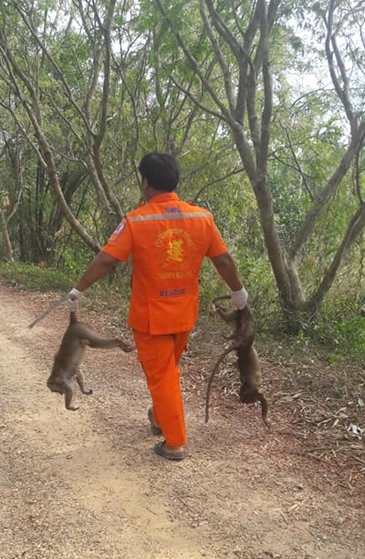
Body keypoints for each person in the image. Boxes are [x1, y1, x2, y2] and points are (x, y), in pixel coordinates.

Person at [64, 152, 248, 462]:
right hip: (184, 315)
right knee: (166, 373)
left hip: (152, 319)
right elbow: (223, 260)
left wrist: (77, 288)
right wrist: (238, 291)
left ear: (145, 182)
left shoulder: (136, 221)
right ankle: (161, 418)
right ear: (174, 181)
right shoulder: (201, 218)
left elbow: (107, 260)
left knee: (162, 377)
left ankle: (174, 443)